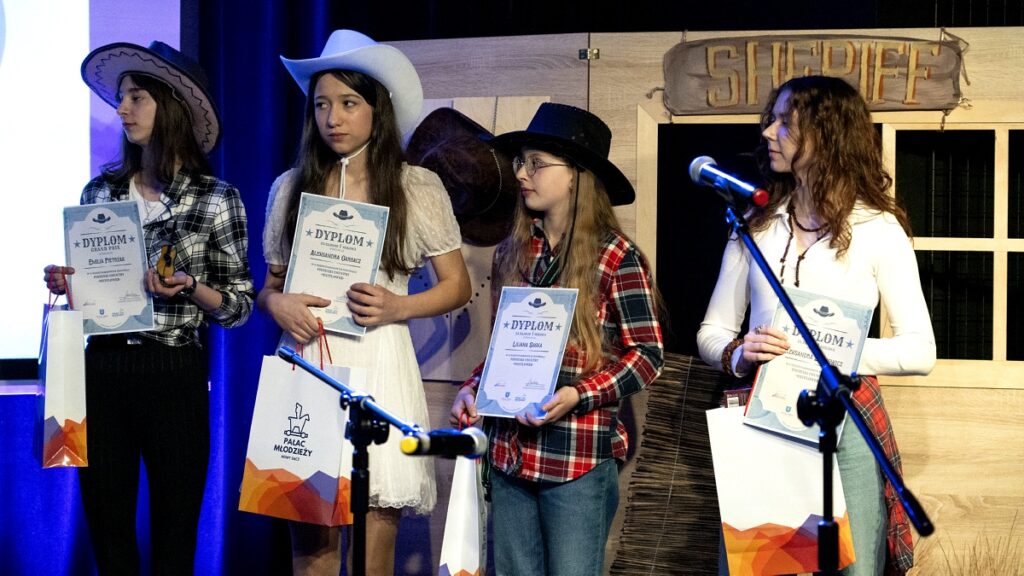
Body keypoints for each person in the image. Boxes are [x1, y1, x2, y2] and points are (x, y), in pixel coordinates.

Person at [696, 75, 936, 575]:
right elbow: (711, 332)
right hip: (766, 419)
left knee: (854, 568)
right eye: (772, 120)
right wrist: (739, 352)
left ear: (828, 134)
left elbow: (920, 350)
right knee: (761, 567)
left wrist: (835, 351)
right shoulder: (756, 225)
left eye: (786, 122)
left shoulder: (878, 229)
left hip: (843, 418)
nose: (769, 132)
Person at [258, 30, 471, 575]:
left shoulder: (414, 186)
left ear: (378, 109)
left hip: (379, 361)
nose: (333, 118)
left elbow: (457, 285)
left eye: (349, 103)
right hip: (307, 359)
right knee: (311, 543)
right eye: (322, 105)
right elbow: (270, 286)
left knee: (376, 536)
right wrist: (275, 304)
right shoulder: (290, 187)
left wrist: (400, 307)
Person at [43, 41, 255, 574]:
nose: (122, 109)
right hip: (104, 371)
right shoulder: (100, 193)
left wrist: (190, 287)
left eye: (136, 97)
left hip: (173, 373)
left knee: (174, 543)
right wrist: (67, 283)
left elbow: (238, 307)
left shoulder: (215, 198)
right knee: (109, 539)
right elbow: (93, 292)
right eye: (121, 98)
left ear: (171, 107)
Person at [450, 102, 665, 576]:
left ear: (575, 177)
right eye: (520, 161)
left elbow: (647, 355)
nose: (521, 174)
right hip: (511, 455)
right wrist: (474, 389)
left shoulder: (616, 257)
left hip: (576, 457)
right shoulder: (513, 251)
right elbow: (506, 349)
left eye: (536, 163)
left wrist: (578, 394)